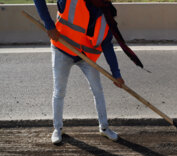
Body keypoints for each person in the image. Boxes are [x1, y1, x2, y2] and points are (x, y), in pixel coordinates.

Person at [34, 0, 124, 144]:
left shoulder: (106, 12)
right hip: (62, 49)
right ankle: (58, 129)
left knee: (98, 90)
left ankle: (104, 128)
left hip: (86, 57)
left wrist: (116, 73)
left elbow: (107, 44)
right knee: (59, 91)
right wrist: (49, 25)